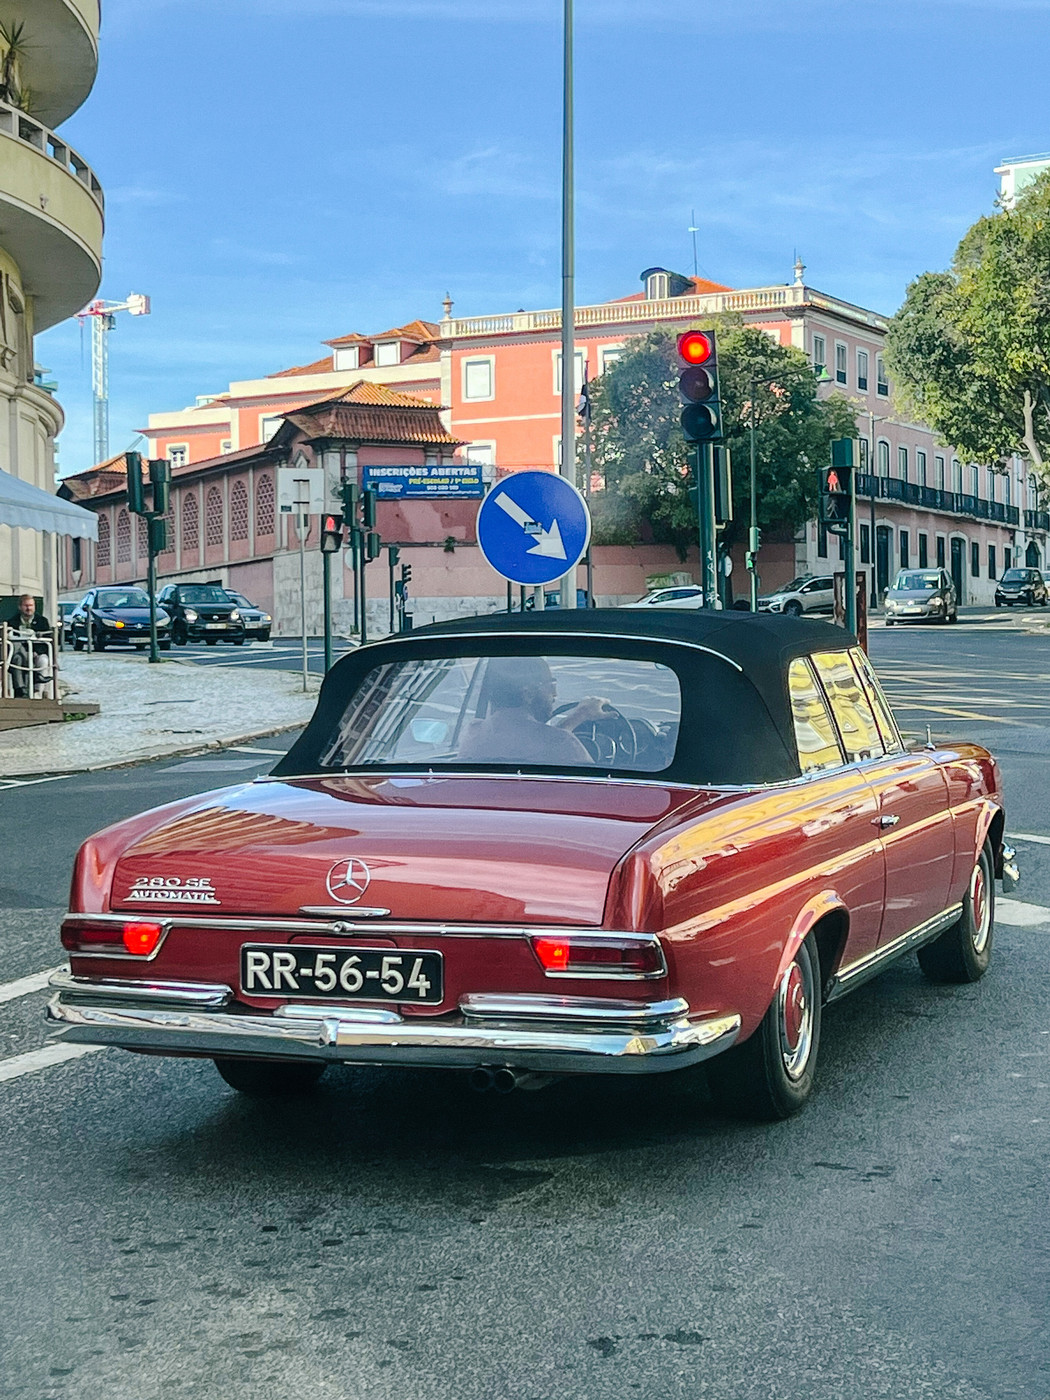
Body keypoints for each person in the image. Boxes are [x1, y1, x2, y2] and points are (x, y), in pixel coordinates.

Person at [457, 656, 608, 765]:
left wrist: (577, 717)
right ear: (528, 693)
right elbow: (599, 793)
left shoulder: (472, 733)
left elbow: (530, 740)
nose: (555, 694)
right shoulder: (563, 744)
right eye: (551, 685)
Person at [8, 593, 53, 699]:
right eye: (26, 606)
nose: (29, 608)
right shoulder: (12, 622)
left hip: (37, 653)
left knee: (43, 661)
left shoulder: (42, 621)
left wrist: (36, 652)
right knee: (17, 656)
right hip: (19, 653)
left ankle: (36, 691)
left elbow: (47, 641)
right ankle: (22, 689)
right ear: (20, 607)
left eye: (31, 605)